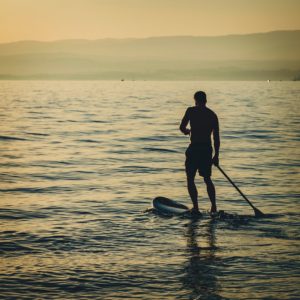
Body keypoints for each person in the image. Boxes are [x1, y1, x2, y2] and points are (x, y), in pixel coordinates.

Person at [179, 91, 220, 215]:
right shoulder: (212, 115)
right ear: (206, 100)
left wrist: (187, 131)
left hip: (194, 149)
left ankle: (196, 207)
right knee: (207, 179)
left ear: (195, 100)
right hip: (207, 150)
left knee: (190, 179)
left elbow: (182, 127)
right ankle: (213, 207)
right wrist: (216, 155)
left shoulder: (191, 111)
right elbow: (216, 138)